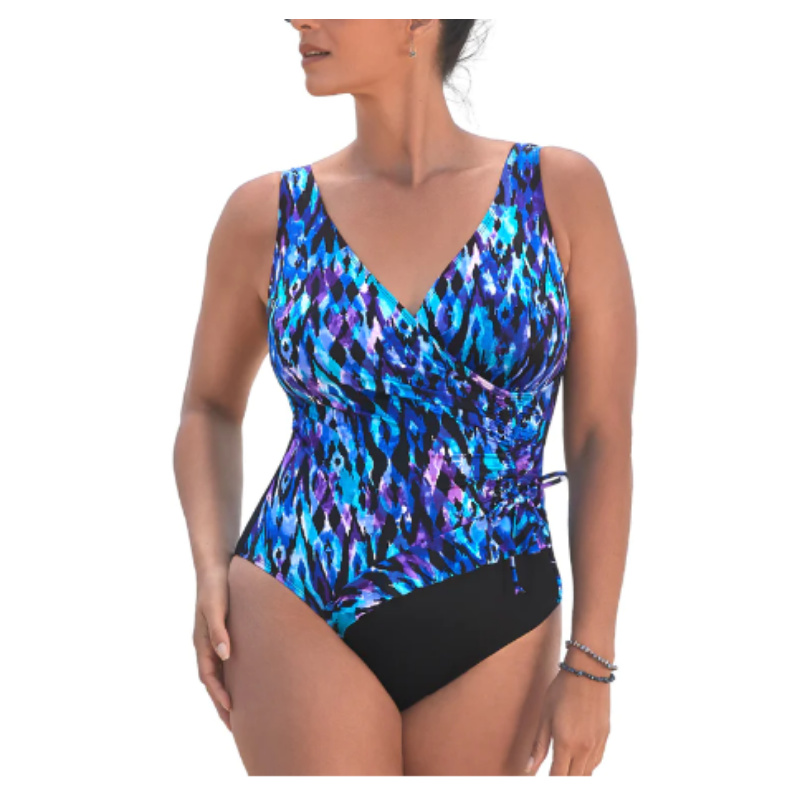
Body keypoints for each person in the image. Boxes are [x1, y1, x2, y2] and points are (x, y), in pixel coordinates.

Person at [173, 19, 636, 777]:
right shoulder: (267, 215)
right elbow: (208, 407)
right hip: (297, 592)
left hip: (499, 599)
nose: (299, 15)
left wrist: (593, 660)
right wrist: (208, 567)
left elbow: (600, 437)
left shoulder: (558, 192)